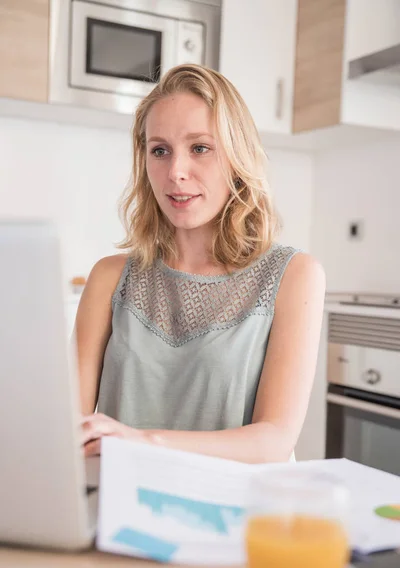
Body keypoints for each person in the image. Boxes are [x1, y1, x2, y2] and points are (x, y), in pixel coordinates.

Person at [77, 64, 325, 464]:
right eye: (160, 151)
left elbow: (274, 439)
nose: (175, 172)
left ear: (236, 156)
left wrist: (142, 442)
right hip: (116, 507)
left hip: (233, 514)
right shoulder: (109, 277)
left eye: (200, 148)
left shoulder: (294, 275)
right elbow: (74, 424)